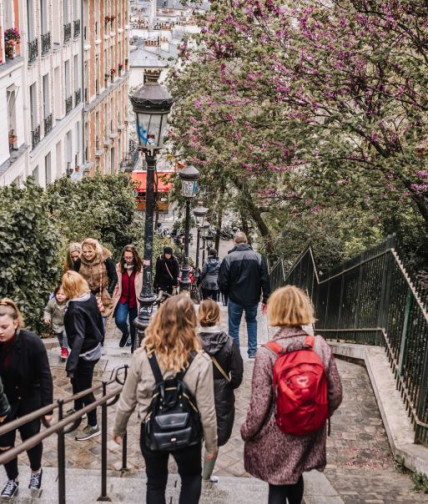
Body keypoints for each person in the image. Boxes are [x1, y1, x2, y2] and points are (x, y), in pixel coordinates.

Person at [241, 286, 343, 504]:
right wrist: (314, 414)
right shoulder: (319, 346)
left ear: (274, 311)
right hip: (309, 433)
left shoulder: (267, 352)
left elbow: (259, 407)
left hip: (278, 432)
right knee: (295, 476)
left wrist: (246, 431)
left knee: (278, 483)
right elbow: (335, 394)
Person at [113, 295, 218, 504]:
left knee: (155, 482)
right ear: (191, 322)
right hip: (188, 432)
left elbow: (127, 399)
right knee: (190, 478)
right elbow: (207, 410)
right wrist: (211, 445)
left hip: (152, 428)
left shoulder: (143, 356)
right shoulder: (201, 360)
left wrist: (119, 429)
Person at [0, 299, 53, 499]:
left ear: (16, 323)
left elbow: (45, 376)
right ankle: (12, 479)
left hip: (30, 398)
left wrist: (47, 409)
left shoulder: (32, 343)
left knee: (31, 439)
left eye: (4, 327)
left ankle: (36, 471)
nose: (0, 331)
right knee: (4, 443)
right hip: (4, 402)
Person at [197, 299, 243, 483]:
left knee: (196, 430)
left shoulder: (192, 342)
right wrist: (227, 386)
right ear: (218, 317)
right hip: (220, 394)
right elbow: (237, 373)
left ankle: (194, 470)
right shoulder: (229, 343)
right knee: (214, 436)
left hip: (198, 391)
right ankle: (206, 474)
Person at [62, 271, 104, 441]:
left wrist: (71, 364)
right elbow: (98, 319)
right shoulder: (89, 297)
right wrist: (101, 337)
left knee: (85, 388)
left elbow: (78, 336)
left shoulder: (74, 309)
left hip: (84, 353)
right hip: (94, 346)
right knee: (77, 382)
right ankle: (79, 409)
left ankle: (93, 425)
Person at [218, 232, 271, 358]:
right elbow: (265, 279)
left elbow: (222, 281)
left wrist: (227, 294)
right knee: (252, 321)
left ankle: (235, 354)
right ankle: (252, 351)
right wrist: (266, 298)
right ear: (246, 242)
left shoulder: (229, 258)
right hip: (252, 298)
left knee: (234, 326)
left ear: (235, 242)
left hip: (235, 298)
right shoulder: (258, 257)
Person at [72, 238, 118, 318]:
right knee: (88, 319)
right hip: (86, 294)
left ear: (96, 250)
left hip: (102, 294)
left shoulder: (105, 260)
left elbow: (114, 277)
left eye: (90, 251)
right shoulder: (79, 261)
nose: (87, 254)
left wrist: (109, 291)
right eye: (85, 252)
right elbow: (72, 277)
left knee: (101, 319)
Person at [112, 245, 143, 352]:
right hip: (123, 298)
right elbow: (116, 282)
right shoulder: (119, 267)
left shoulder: (140, 268)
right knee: (119, 320)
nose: (128, 260)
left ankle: (133, 349)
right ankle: (126, 332)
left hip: (135, 300)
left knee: (135, 326)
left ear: (134, 257)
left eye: (130, 257)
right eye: (126, 257)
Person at [43, 284, 68, 361]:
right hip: (56, 324)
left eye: (62, 294)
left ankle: (64, 350)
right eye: (58, 294)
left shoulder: (69, 303)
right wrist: (47, 318)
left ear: (67, 295)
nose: (60, 296)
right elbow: (47, 311)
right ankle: (64, 350)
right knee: (61, 340)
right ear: (55, 294)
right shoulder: (52, 303)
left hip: (67, 324)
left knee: (65, 336)